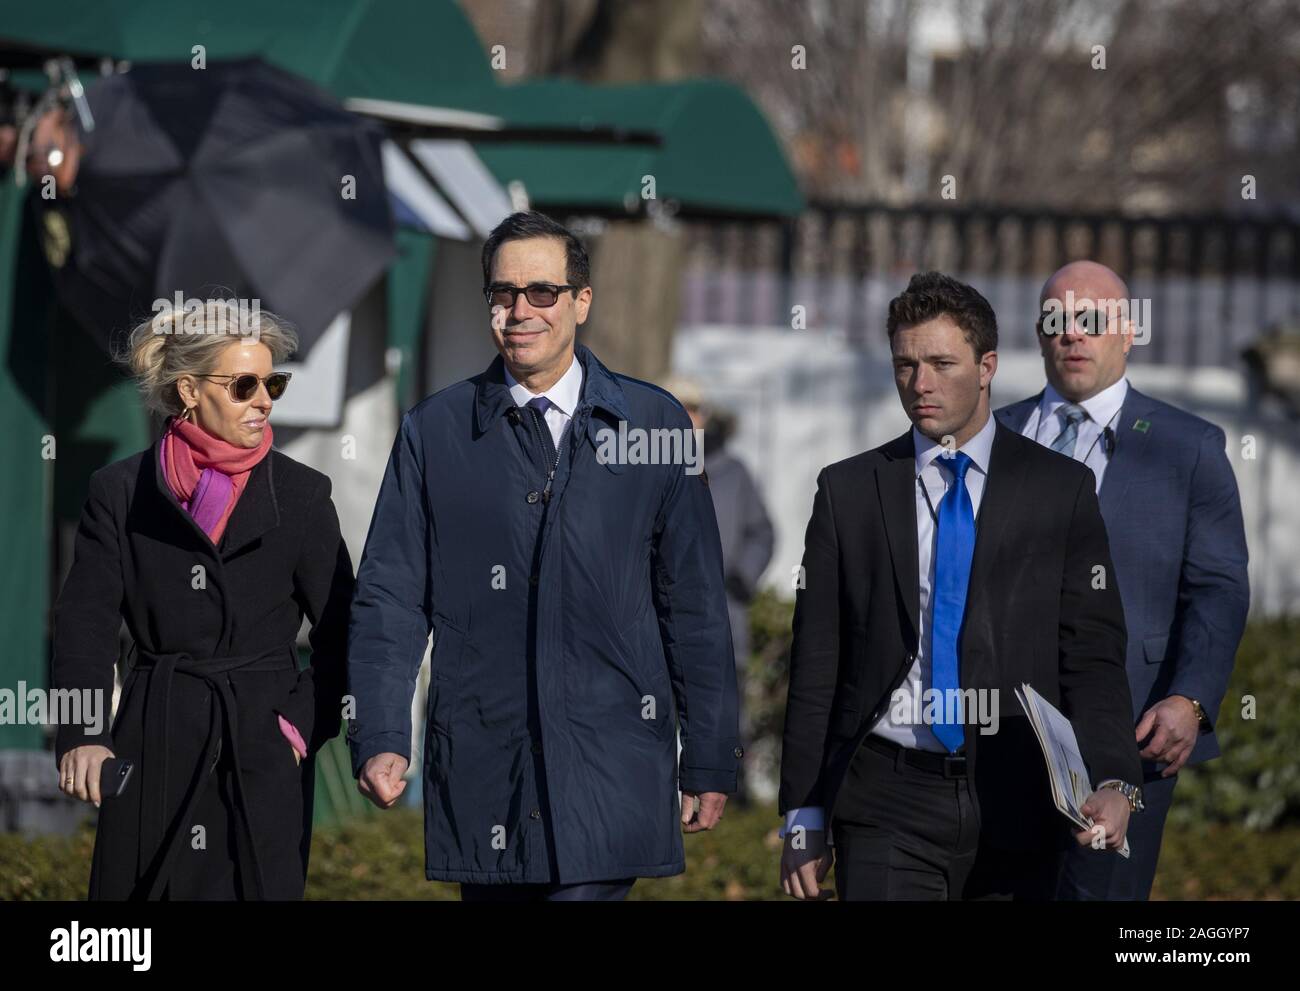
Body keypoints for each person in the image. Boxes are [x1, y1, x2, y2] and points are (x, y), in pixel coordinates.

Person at [347, 210, 740, 901]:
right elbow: (391, 595)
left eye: (542, 292)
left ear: (581, 301)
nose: (519, 309)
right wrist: (380, 731)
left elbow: (696, 603)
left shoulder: (655, 427)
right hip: (483, 768)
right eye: (503, 293)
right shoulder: (434, 432)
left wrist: (709, 756)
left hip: (610, 770)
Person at [779, 271, 1142, 901]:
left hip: (1017, 792)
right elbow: (818, 662)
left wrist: (1113, 777)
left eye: (942, 363)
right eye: (905, 364)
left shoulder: (1059, 491)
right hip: (885, 795)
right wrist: (804, 811)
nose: (920, 384)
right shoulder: (848, 493)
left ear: (987, 366)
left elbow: (1091, 651)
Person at [52, 301, 354, 899]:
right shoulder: (119, 491)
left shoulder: (301, 493)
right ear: (189, 389)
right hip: (153, 736)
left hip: (260, 748)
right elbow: (84, 625)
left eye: (273, 383)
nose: (263, 400)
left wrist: (297, 727)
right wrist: (83, 732)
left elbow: (347, 627)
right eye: (243, 385)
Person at [995, 260, 1250, 900]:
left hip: (1129, 736)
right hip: (995, 735)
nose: (1073, 334)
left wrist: (1191, 698)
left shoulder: (1187, 448)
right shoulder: (990, 438)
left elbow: (1218, 587)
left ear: (1129, 331)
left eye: (1091, 320)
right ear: (1039, 333)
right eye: (1057, 321)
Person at [663, 377, 774, 805]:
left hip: (726, 618)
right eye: (676, 407)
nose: (685, 417)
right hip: (656, 623)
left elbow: (761, 532)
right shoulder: (639, 466)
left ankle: (734, 803)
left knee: (728, 715)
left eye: (693, 408)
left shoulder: (734, 471)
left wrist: (741, 580)